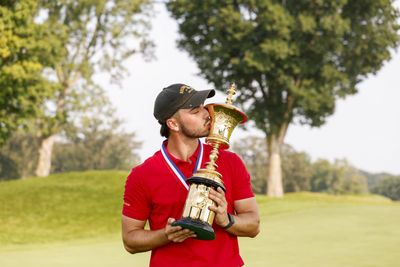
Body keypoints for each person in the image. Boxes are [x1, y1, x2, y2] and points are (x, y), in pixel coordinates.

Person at [122, 83, 260, 267]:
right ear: (173, 124)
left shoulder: (231, 162)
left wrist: (227, 220)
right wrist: (165, 234)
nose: (207, 113)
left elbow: (253, 225)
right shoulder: (142, 174)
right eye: (195, 111)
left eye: (204, 107)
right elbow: (130, 240)